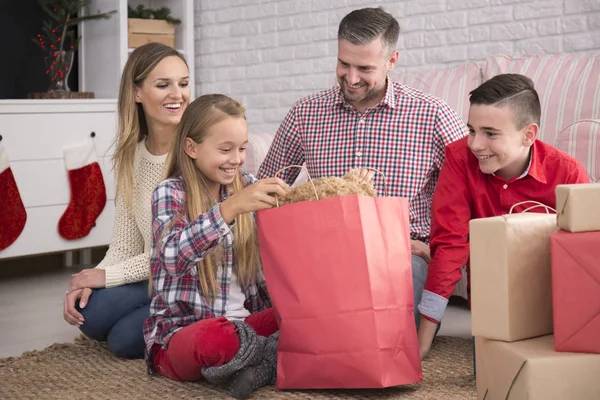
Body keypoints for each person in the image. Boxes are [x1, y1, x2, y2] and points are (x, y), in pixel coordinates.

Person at [257, 7, 467, 329]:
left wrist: (430, 248)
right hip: (322, 251)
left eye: (365, 68)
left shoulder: (432, 115)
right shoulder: (305, 114)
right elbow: (265, 190)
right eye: (344, 64)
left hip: (400, 254)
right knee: (300, 323)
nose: (351, 78)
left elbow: (470, 193)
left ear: (391, 61)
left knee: (379, 329)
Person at [417, 73, 590, 359]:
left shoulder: (567, 174)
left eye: (490, 133)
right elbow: (450, 244)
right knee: (487, 365)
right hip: (491, 306)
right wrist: (423, 342)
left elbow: (587, 256)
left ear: (529, 134)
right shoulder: (459, 160)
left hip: (556, 302)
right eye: (472, 130)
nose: (475, 144)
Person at [144, 94, 291, 399]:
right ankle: (271, 355)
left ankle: (254, 360)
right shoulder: (170, 192)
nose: (236, 159)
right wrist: (229, 209)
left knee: (305, 314)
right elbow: (170, 257)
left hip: (246, 323)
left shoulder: (246, 183)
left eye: (241, 149)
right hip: (185, 334)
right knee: (215, 340)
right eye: (225, 150)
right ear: (191, 148)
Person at [62, 42, 191, 359]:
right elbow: (124, 243)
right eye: (163, 85)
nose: (178, 94)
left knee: (121, 341)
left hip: (189, 279)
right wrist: (88, 281)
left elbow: (177, 252)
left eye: (184, 83)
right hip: (152, 277)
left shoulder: (193, 153)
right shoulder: (131, 156)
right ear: (137, 93)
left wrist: (108, 277)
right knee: (89, 313)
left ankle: (191, 319)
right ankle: (162, 315)